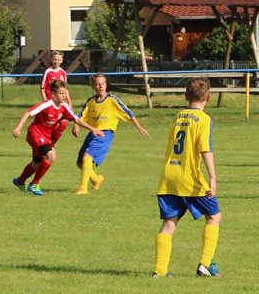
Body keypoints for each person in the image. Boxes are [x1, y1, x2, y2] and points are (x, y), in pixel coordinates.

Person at [154, 78, 223, 278]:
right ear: (208, 97)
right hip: (189, 178)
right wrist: (212, 177)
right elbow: (205, 149)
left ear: (185, 96)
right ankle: (205, 264)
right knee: (214, 216)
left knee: (169, 223)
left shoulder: (178, 117)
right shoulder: (203, 119)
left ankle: (159, 271)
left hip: (168, 176)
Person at [12, 80, 103, 196]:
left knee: (36, 163)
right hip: (35, 134)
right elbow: (28, 113)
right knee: (51, 155)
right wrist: (18, 128)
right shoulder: (46, 105)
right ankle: (34, 184)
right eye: (61, 93)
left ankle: (20, 181)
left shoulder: (64, 107)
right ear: (53, 94)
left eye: (65, 93)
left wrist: (93, 129)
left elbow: (76, 119)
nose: (64, 96)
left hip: (46, 138)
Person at [73, 73, 149, 195]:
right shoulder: (91, 101)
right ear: (93, 86)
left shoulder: (112, 100)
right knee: (80, 163)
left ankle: (83, 188)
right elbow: (80, 116)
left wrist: (138, 126)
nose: (100, 86)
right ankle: (96, 180)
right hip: (93, 132)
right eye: (97, 84)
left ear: (106, 84)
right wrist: (76, 125)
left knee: (87, 157)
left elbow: (128, 112)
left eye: (103, 83)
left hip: (105, 134)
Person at [40, 50, 72, 144]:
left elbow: (65, 89)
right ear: (51, 59)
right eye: (54, 59)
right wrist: (45, 101)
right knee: (49, 125)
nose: (56, 61)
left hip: (61, 104)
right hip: (51, 103)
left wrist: (69, 102)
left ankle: (52, 143)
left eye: (58, 59)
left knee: (64, 123)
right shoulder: (48, 72)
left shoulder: (63, 73)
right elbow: (42, 88)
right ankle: (43, 143)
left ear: (61, 60)